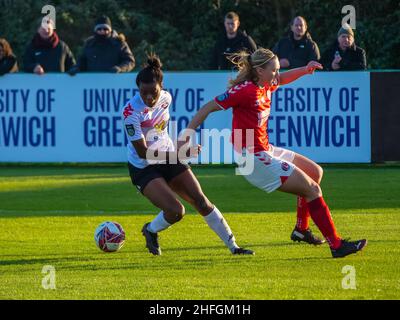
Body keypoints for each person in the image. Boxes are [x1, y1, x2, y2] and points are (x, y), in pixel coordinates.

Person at [184, 48, 367, 258]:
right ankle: (336, 245)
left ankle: (301, 229)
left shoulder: (266, 84)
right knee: (313, 189)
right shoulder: (246, 91)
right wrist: (187, 136)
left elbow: (282, 78)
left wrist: (305, 70)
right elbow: (207, 108)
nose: (277, 75)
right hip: (252, 158)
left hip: (265, 150)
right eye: (273, 70)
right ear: (260, 70)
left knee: (315, 172)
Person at [122, 53, 253, 256]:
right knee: (176, 211)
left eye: (153, 92)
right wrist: (180, 153)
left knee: (201, 201)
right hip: (143, 167)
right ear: (138, 88)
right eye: (143, 93)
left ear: (161, 87)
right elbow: (144, 152)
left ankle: (234, 247)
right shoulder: (131, 112)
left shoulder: (166, 98)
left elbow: (160, 132)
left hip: (168, 156)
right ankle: (150, 230)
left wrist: (176, 149)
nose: (149, 97)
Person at [70, 16, 135, 74]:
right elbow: (82, 62)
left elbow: (129, 61)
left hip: (114, 82)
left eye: (105, 29)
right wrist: (76, 68)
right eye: (99, 29)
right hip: (92, 83)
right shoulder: (89, 44)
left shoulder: (119, 43)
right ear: (95, 30)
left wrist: (120, 68)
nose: (102, 31)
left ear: (110, 30)